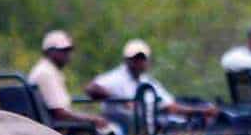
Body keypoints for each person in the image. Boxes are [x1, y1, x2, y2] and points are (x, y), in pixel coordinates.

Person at [86, 40, 218, 125]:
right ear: (126, 59)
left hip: (149, 129)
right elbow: (91, 88)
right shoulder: (115, 78)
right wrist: (120, 100)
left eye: (141, 59)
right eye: (134, 59)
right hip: (122, 127)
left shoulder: (148, 82)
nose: (138, 63)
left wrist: (200, 111)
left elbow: (170, 106)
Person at [28, 30, 119, 135]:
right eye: (63, 50)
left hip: (54, 126)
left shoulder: (46, 70)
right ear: (49, 51)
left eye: (68, 50)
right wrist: (92, 119)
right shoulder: (46, 73)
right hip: (57, 131)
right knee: (109, 131)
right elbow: (60, 114)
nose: (67, 54)